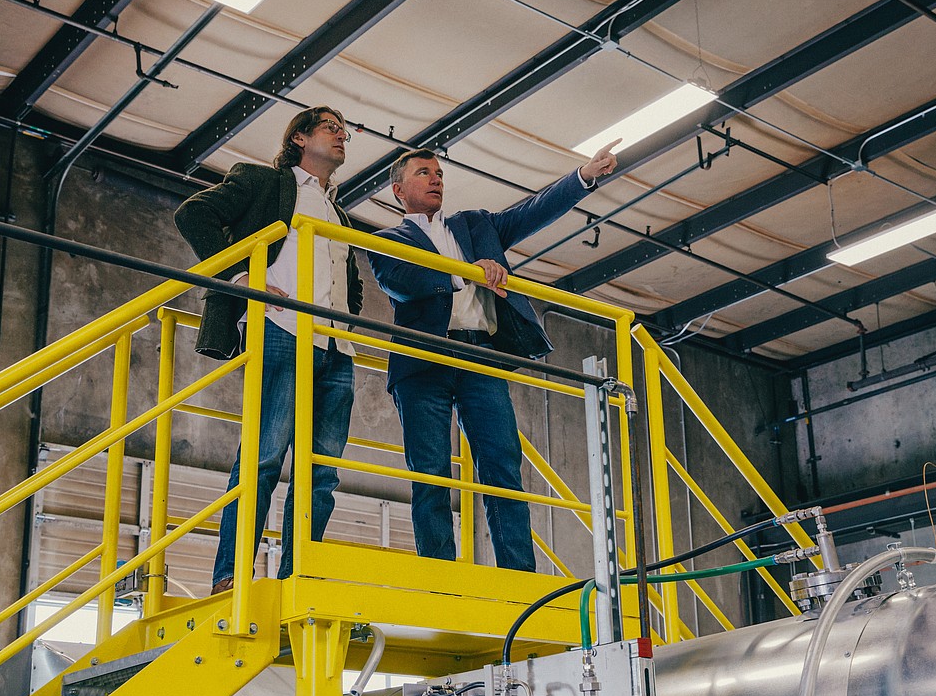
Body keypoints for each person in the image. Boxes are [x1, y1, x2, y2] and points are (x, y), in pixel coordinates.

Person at [366, 140, 620, 571]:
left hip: (479, 355)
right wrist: (468, 272)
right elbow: (402, 283)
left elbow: (531, 212)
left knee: (503, 466)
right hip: (423, 364)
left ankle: (519, 576)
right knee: (431, 474)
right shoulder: (385, 239)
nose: (435, 180)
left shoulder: (475, 225)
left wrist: (584, 177)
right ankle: (439, 576)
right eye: (423, 174)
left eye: (440, 174)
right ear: (398, 190)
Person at [174, 105, 363, 592]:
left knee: (322, 475)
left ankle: (295, 577)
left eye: (346, 132)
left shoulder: (339, 213)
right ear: (299, 137)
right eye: (331, 128)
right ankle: (230, 577)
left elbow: (350, 282)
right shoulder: (264, 183)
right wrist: (243, 278)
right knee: (263, 459)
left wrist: (348, 320)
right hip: (281, 331)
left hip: (337, 348)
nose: (342, 137)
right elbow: (194, 213)